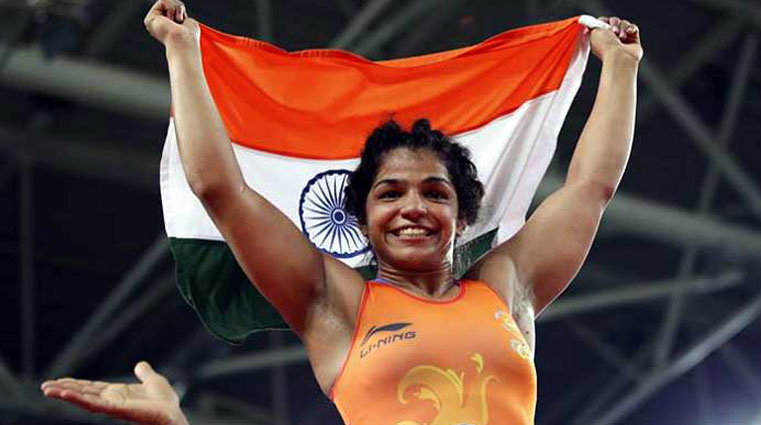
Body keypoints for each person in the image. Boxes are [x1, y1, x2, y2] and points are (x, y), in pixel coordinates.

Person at [41, 1, 642, 424]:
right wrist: (183, 53)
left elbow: (590, 188)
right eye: (390, 193)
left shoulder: (506, 288)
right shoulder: (337, 303)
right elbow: (221, 190)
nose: (413, 207)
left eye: (435, 193)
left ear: (463, 219)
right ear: (363, 220)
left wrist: (619, 67)